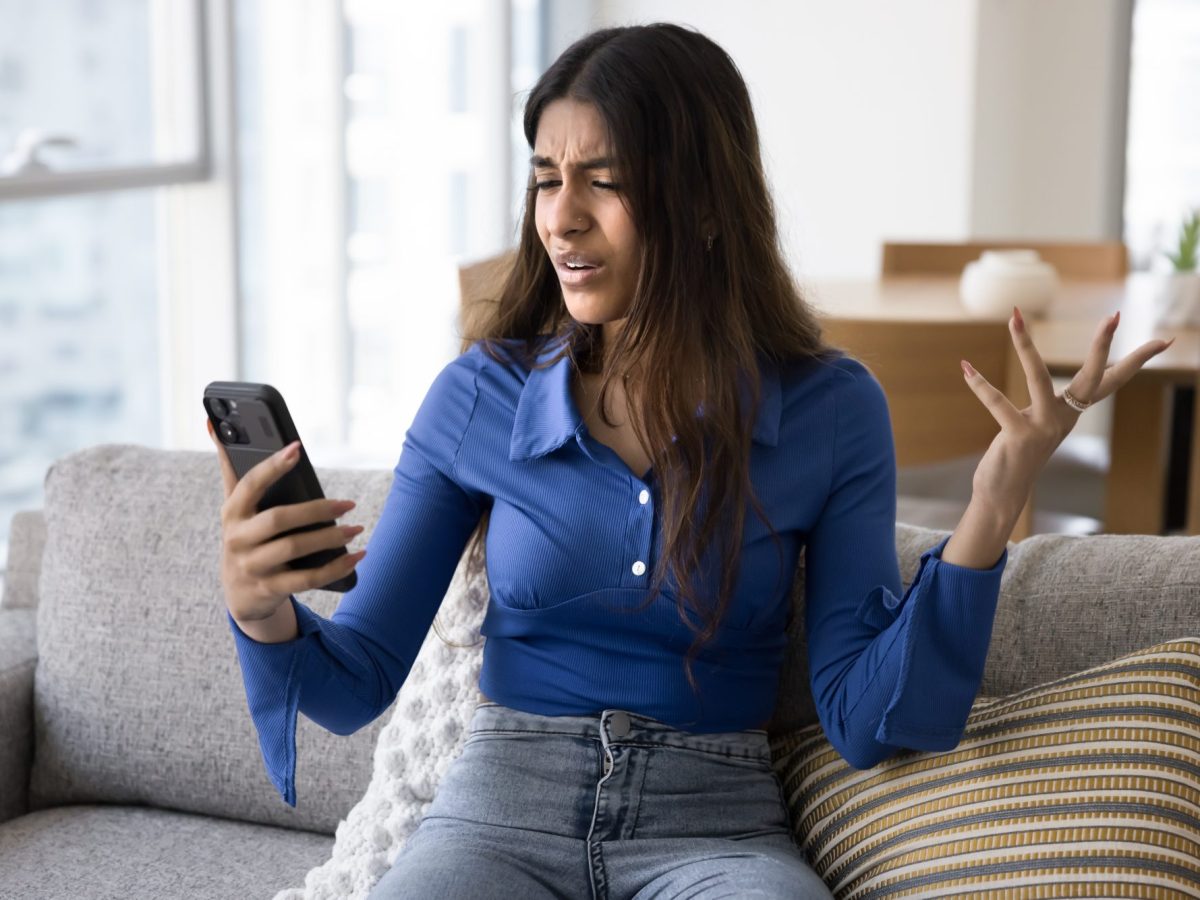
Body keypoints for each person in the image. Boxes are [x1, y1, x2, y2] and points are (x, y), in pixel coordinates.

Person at [208, 23, 1173, 900]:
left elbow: (865, 718)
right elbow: (355, 679)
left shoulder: (831, 410)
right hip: (498, 814)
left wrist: (995, 500)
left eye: (606, 179)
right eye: (547, 177)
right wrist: (260, 607)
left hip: (715, 832)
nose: (562, 218)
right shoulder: (480, 395)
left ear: (705, 205)